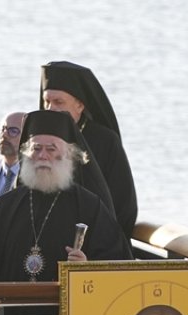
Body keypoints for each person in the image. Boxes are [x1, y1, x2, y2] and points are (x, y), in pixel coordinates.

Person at [0, 110, 130, 283]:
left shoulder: (89, 206)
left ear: (70, 155)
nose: (42, 156)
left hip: (67, 308)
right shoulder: (6, 205)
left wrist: (87, 266)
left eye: (51, 149)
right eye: (36, 148)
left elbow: (117, 263)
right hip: (9, 307)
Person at [40, 61, 138, 239]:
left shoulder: (105, 141)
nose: (50, 109)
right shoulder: (38, 141)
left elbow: (124, 205)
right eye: (46, 101)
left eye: (58, 102)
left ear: (80, 105)